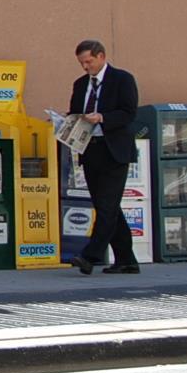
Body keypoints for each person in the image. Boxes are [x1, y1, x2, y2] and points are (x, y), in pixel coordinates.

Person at [68, 38, 140, 275]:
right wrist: (65, 121)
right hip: (91, 149)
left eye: (88, 61)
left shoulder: (122, 79)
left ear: (101, 56)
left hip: (114, 150)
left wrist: (103, 118)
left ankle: (90, 255)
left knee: (107, 206)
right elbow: (76, 112)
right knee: (106, 206)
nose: (86, 67)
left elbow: (128, 113)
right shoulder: (80, 84)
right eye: (81, 63)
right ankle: (126, 260)